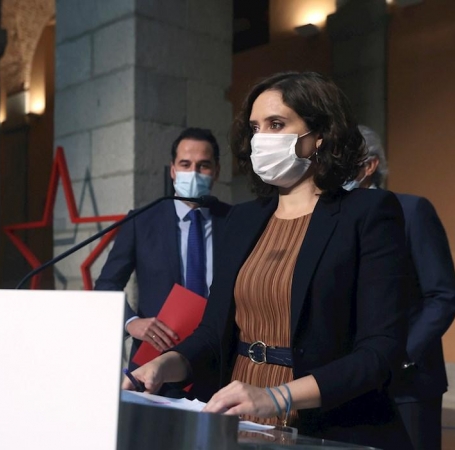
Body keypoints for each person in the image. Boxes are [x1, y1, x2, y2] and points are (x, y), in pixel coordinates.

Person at [122, 72, 412, 449]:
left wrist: (277, 396)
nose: (262, 139)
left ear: (319, 134)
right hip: (238, 416)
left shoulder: (369, 213)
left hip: (328, 423)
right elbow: (213, 333)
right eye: (256, 128)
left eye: (277, 124)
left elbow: (380, 351)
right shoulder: (243, 220)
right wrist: (165, 364)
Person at [345, 125, 455, 450]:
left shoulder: (412, 211)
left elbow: (443, 296)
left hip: (407, 385)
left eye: (343, 160)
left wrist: (400, 355)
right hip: (348, 384)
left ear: (369, 166)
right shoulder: (332, 218)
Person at [95, 127, 231, 395]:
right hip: (153, 363)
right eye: (185, 164)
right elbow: (106, 285)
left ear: (216, 171)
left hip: (219, 363)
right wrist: (131, 322)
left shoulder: (234, 221)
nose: (193, 172)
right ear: (172, 170)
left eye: (203, 165)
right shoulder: (141, 220)